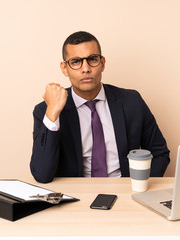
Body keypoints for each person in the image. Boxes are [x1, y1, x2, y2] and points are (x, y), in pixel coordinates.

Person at [30, 31, 170, 183]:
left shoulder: (132, 101)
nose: (86, 69)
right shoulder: (45, 110)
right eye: (76, 62)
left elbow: (159, 152)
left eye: (92, 59)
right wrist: (52, 112)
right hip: (77, 196)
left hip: (125, 192)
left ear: (102, 63)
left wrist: (140, 186)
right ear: (64, 68)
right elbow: (42, 174)